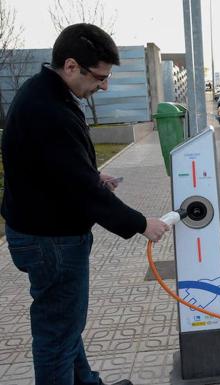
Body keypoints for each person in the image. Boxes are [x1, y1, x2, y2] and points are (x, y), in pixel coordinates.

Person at [1, 23, 169, 385]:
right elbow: (82, 193)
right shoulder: (49, 110)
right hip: (51, 241)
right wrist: (142, 224)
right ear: (72, 66)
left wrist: (92, 175)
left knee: (64, 323)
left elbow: (55, 168)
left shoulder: (44, 93)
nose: (104, 86)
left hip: (39, 229)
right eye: (100, 77)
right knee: (57, 337)